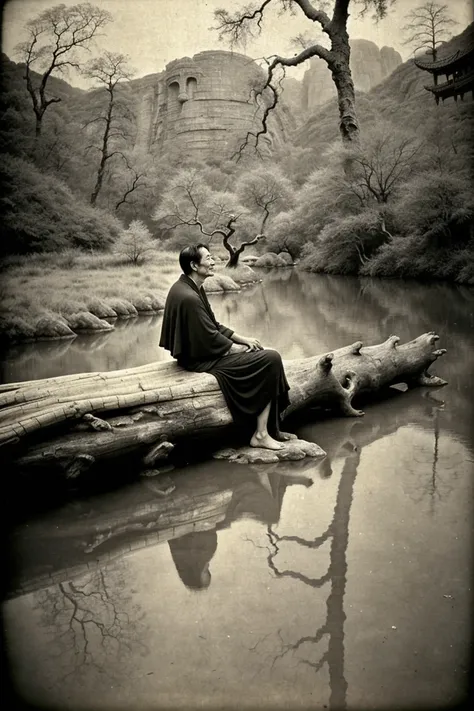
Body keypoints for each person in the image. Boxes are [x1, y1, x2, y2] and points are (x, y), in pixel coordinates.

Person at [159, 243, 292, 450]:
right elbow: (209, 338)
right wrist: (237, 349)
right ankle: (261, 434)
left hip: (202, 353)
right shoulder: (189, 297)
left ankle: (272, 429)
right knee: (271, 359)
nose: (213, 262)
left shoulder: (191, 286)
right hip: (200, 360)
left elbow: (213, 325)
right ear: (194, 265)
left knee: (263, 354)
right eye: (209, 258)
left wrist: (243, 339)